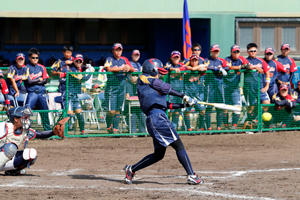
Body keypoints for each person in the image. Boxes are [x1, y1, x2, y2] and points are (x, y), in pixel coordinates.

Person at [124, 58, 203, 185]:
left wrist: (184, 105)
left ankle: (131, 169)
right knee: (179, 146)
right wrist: (183, 95)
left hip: (156, 118)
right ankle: (191, 175)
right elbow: (163, 86)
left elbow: (165, 105)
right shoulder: (144, 79)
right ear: (152, 70)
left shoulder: (149, 87)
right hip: (157, 118)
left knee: (159, 154)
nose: (159, 75)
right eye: (158, 72)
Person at [0, 106, 69, 175]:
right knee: (11, 148)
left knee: (31, 154)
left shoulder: (24, 130)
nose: (27, 120)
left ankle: (12, 171)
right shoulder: (3, 127)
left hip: (5, 159)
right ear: (16, 119)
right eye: (25, 118)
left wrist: (53, 132)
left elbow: (40, 134)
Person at [104, 43, 134, 134]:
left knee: (118, 110)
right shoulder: (110, 59)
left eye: (120, 50)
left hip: (122, 87)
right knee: (111, 111)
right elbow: (108, 68)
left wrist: (128, 68)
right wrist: (120, 69)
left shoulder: (124, 59)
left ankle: (116, 129)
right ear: (113, 51)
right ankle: (109, 126)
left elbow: (132, 69)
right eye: (116, 50)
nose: (118, 52)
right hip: (112, 88)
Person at [62, 54, 93, 135]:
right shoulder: (70, 69)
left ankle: (82, 131)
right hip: (68, 95)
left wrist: (88, 68)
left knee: (79, 113)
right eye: (77, 61)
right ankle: (62, 131)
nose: (78, 62)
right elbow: (82, 79)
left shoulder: (80, 69)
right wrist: (90, 72)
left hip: (75, 96)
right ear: (74, 61)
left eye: (80, 61)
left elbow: (82, 72)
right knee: (69, 114)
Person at [243, 43, 270, 128]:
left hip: (260, 87)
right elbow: (247, 66)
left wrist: (267, 86)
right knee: (251, 107)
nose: (253, 52)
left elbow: (267, 73)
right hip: (249, 88)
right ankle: (249, 123)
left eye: (254, 51)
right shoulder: (245, 60)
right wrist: (256, 67)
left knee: (266, 103)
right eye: (251, 51)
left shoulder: (261, 61)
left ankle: (256, 119)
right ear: (248, 51)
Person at [24, 48, 51, 131]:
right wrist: (39, 80)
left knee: (45, 112)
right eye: (33, 57)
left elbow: (45, 80)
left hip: (41, 92)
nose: (35, 59)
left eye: (36, 58)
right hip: (32, 93)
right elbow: (28, 81)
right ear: (29, 58)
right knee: (27, 112)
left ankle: (47, 131)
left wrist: (35, 81)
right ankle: (25, 131)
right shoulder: (25, 68)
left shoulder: (42, 67)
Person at [224, 45, 249, 129]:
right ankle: (225, 126)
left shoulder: (241, 59)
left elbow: (247, 65)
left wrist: (247, 66)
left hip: (235, 87)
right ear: (231, 52)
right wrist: (239, 67)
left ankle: (234, 125)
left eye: (237, 51)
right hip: (225, 87)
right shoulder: (227, 59)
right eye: (234, 52)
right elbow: (227, 67)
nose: (236, 53)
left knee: (237, 107)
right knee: (225, 107)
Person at [205, 44, 228, 130]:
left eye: (217, 51)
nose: (216, 53)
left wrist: (222, 69)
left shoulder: (221, 61)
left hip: (219, 85)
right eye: (214, 51)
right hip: (210, 86)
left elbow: (227, 68)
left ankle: (219, 126)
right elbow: (205, 67)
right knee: (209, 106)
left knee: (219, 106)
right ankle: (209, 127)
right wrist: (214, 68)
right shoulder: (207, 60)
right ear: (211, 51)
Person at [184, 53, 207, 131]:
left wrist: (195, 69)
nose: (194, 62)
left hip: (198, 93)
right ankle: (189, 128)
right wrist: (191, 69)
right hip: (188, 93)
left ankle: (200, 127)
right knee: (187, 111)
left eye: (195, 60)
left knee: (202, 110)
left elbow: (205, 68)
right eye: (192, 60)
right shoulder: (187, 67)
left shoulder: (200, 67)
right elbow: (183, 68)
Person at [164, 51, 186, 130]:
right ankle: (167, 127)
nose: (176, 58)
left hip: (179, 92)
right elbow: (165, 67)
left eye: (177, 57)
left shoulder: (181, 65)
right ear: (171, 58)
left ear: (180, 58)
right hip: (170, 92)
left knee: (177, 110)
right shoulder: (169, 64)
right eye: (174, 57)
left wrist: (178, 69)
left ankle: (173, 127)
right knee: (169, 110)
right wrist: (172, 69)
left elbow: (184, 68)